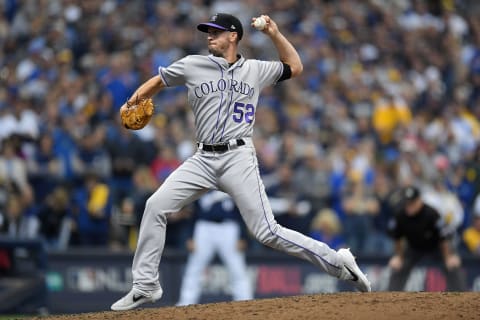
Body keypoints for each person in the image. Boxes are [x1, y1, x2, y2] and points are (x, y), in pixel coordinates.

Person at [111, 13, 370, 311]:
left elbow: (295, 67)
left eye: (216, 32)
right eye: (208, 31)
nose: (209, 36)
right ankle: (145, 285)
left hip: (238, 157)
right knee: (155, 206)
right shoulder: (194, 64)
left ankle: (339, 264)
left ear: (233, 36)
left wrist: (274, 32)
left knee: (267, 232)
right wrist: (132, 100)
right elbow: (159, 79)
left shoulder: (256, 69)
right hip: (203, 159)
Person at [176, 190, 252, 306]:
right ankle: (186, 303)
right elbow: (194, 212)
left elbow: (241, 211)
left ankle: (246, 303)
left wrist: (243, 236)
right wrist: (190, 236)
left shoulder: (231, 182)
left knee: (237, 267)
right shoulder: (202, 183)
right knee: (194, 267)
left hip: (229, 227)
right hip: (204, 227)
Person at [387, 185, 466, 291]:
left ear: (419, 201)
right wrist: (398, 257)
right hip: (414, 247)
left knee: (452, 266)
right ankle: (390, 297)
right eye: (407, 203)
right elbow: (397, 238)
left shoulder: (431, 213)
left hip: (436, 246)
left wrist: (448, 257)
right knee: (398, 267)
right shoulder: (401, 215)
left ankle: (461, 297)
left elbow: (443, 238)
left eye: (413, 203)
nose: (409, 206)